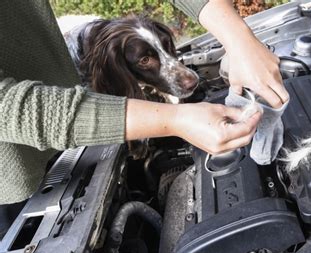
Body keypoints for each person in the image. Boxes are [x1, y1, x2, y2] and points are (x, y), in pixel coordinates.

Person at [0, 0, 288, 235]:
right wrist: (173, 120)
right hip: (17, 174)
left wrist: (239, 39)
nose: (187, 79)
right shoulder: (106, 66)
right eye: (146, 59)